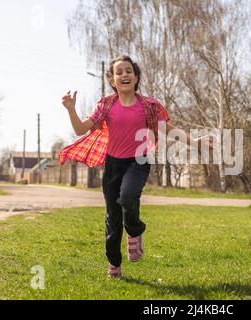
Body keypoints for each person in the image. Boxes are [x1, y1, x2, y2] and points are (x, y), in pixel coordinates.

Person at [59, 55, 211, 279]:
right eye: (119, 72)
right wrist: (71, 109)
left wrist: (195, 143)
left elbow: (169, 129)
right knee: (113, 217)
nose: (124, 75)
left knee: (128, 198)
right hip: (113, 164)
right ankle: (114, 265)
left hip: (138, 161)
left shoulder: (148, 106)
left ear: (136, 76)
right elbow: (82, 129)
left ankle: (135, 231)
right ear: (112, 80)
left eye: (128, 71)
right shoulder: (106, 105)